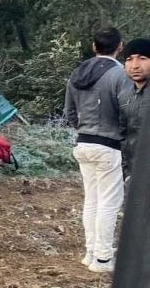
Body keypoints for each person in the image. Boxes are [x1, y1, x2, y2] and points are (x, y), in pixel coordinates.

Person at [63, 26, 127, 274]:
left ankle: (90, 253)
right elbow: (126, 111)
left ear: (93, 46)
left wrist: (83, 127)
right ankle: (102, 259)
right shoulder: (119, 74)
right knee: (110, 203)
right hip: (108, 145)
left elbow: (69, 112)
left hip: (83, 143)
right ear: (120, 47)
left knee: (92, 200)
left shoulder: (77, 72)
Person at [118, 38, 150, 185]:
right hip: (134, 173)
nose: (135, 65)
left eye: (142, 58)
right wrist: (126, 172)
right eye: (129, 59)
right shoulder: (124, 95)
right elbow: (123, 135)